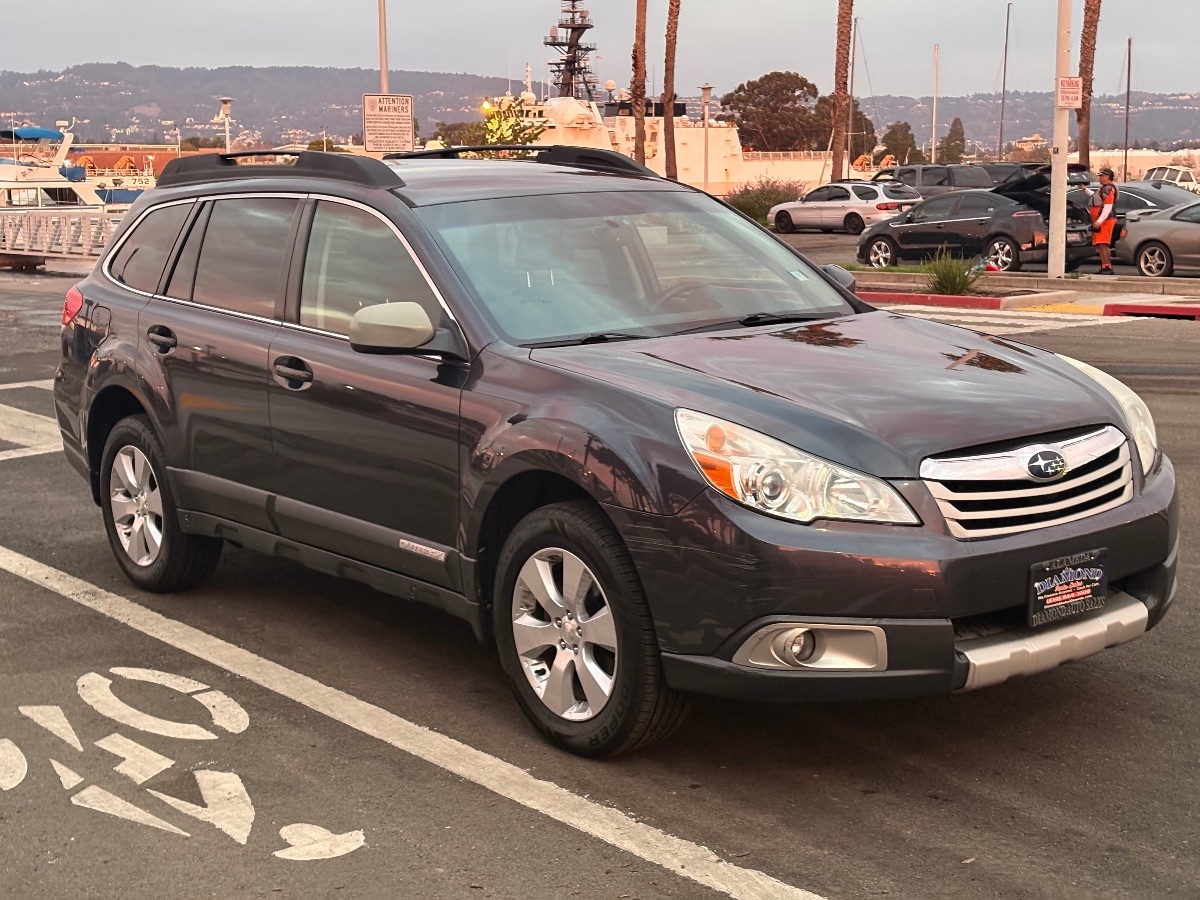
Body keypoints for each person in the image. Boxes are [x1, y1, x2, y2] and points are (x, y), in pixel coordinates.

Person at [1085, 168, 1119, 274]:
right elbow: (1096, 198)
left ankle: (1108, 267)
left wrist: (1099, 221)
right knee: (1099, 244)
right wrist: (1084, 189)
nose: (1099, 178)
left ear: (1107, 177)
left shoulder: (1108, 189)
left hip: (1106, 220)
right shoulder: (1104, 189)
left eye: (1101, 176)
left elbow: (1107, 207)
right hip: (1101, 220)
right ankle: (1104, 266)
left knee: (1103, 244)